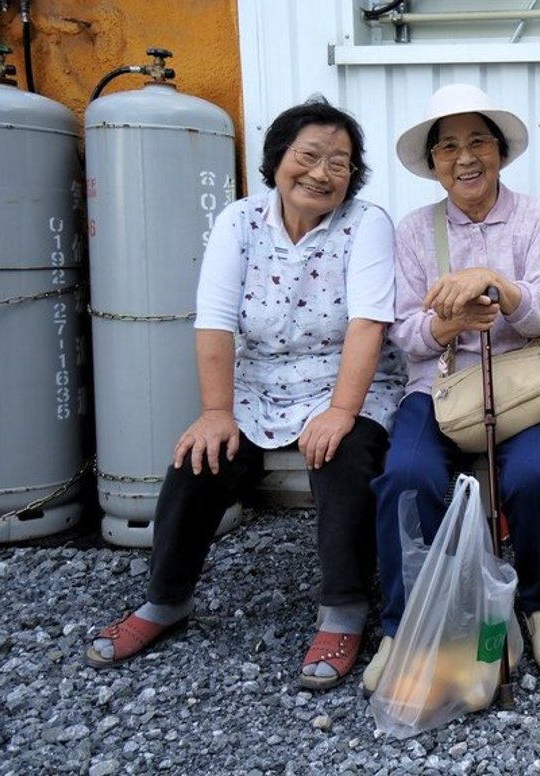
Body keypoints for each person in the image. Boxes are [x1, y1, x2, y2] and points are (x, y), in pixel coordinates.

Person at [85, 98, 406, 691]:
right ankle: (166, 598)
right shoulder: (240, 220)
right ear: (277, 158)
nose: (322, 172)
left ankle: (343, 609)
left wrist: (340, 411)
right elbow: (214, 319)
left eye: (340, 162)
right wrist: (214, 411)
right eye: (308, 155)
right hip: (258, 385)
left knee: (343, 453)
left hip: (347, 384)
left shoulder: (368, 224)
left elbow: (368, 323)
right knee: (199, 458)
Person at [363, 84, 540, 694]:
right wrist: (449, 323)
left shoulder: (539, 217)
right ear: (433, 163)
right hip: (440, 385)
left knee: (536, 477)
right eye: (449, 146)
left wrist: (497, 286)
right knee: (406, 478)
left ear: (501, 152)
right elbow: (404, 332)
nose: (466, 157)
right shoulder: (413, 231)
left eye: (479, 141)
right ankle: (410, 622)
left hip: (526, 383)